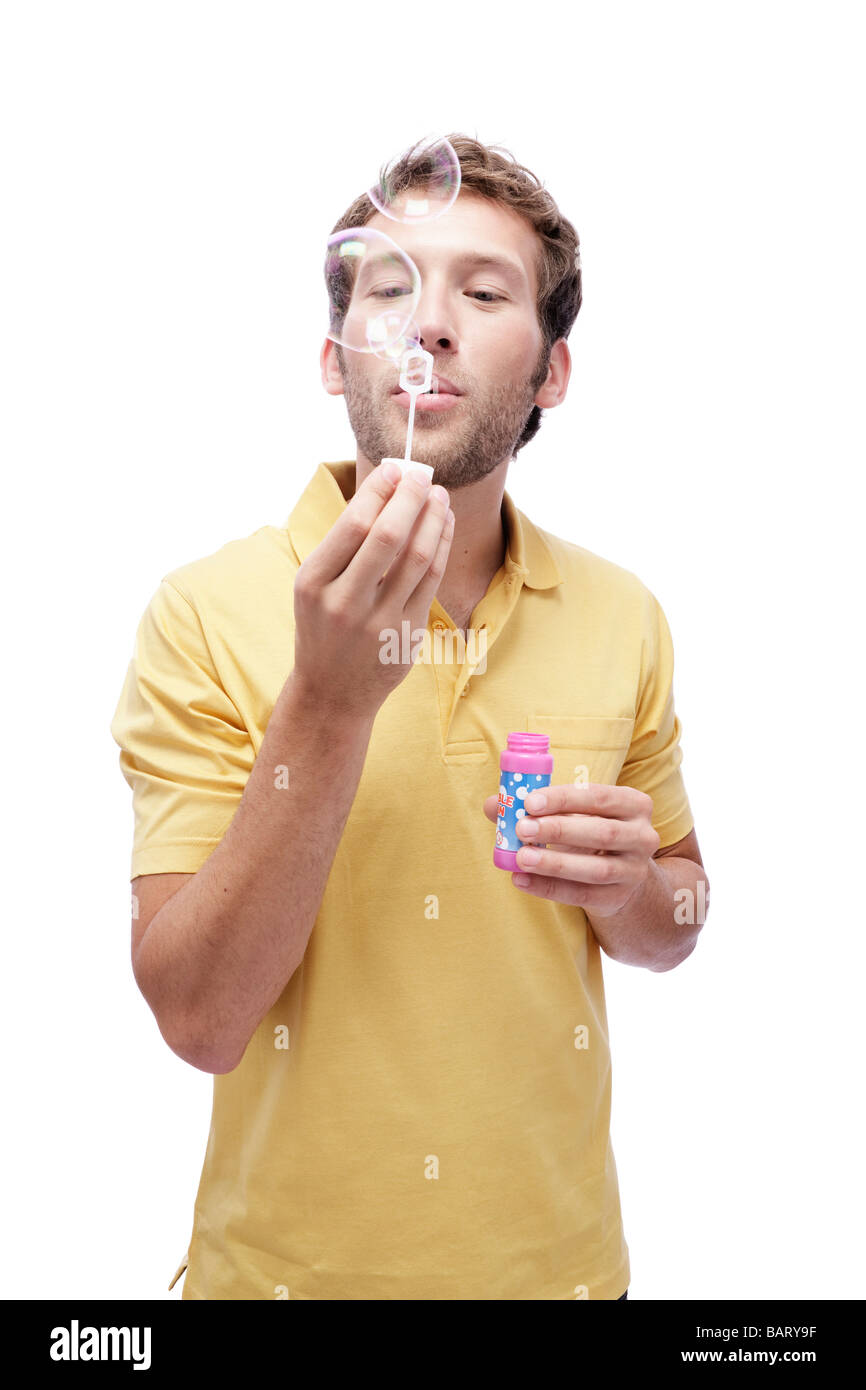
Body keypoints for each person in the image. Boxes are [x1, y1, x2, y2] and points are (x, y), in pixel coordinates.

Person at [110, 134, 709, 1301]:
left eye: (482, 293)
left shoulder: (624, 614)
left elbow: (678, 916)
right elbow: (198, 1019)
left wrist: (628, 889)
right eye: (387, 288)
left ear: (550, 373)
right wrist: (328, 703)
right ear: (336, 361)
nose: (427, 323)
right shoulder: (202, 612)